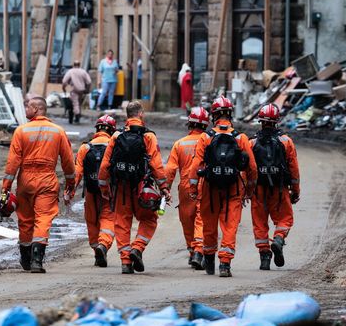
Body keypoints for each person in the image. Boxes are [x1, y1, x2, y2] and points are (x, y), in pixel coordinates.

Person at [2, 96, 76, 273]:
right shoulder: (57, 131)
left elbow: (12, 163)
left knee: (25, 219)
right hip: (47, 180)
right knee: (43, 218)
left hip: (25, 180)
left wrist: (6, 187)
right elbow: (67, 161)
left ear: (36, 109)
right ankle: (37, 260)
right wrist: (70, 182)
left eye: (27, 106)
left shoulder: (21, 131)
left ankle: (26, 258)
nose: (25, 109)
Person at [98, 100, 171, 274]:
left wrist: (104, 189)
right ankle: (137, 248)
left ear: (127, 115)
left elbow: (104, 166)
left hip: (121, 187)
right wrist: (164, 188)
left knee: (122, 223)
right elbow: (156, 164)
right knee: (149, 219)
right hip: (142, 187)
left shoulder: (116, 136)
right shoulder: (149, 136)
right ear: (141, 114)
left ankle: (125, 262)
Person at [189, 96, 257, 278]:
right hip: (233, 189)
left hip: (209, 189)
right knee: (230, 227)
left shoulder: (206, 137)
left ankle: (209, 259)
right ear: (230, 114)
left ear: (214, 116)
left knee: (209, 226)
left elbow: (195, 167)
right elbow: (252, 168)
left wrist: (194, 189)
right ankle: (225, 264)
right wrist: (249, 191)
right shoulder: (241, 138)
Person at [250, 103, 301, 271]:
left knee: (259, 223)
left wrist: (246, 191)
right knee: (285, 219)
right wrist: (295, 190)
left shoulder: (252, 142)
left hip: (258, 190)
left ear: (261, 121)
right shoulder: (286, 142)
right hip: (280, 189)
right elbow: (293, 168)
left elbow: (248, 169)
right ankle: (278, 239)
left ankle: (264, 257)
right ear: (277, 121)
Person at [68, 115, 117, 267]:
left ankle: (96, 248)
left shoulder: (85, 148)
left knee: (92, 220)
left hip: (91, 192)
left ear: (97, 129)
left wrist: (70, 191)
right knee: (108, 219)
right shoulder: (114, 146)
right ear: (112, 130)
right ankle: (103, 245)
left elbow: (77, 173)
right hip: (110, 192)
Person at [165, 107, 209, 269]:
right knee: (202, 218)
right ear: (205, 125)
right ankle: (198, 250)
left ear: (189, 124)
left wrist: (165, 188)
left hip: (185, 186)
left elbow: (169, 170)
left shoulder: (179, 144)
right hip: (204, 184)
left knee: (187, 219)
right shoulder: (209, 141)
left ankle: (193, 251)